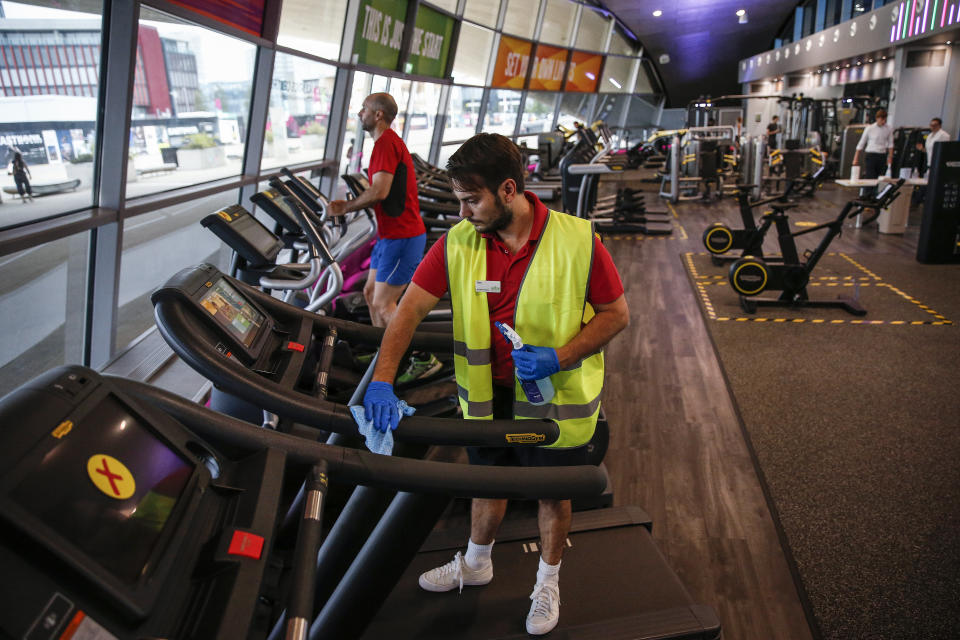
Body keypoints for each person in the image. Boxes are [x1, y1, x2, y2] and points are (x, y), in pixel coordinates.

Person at [361, 133, 629, 635]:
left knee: (551, 493)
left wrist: (560, 356)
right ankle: (476, 562)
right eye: (459, 199)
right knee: (486, 481)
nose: (463, 212)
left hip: (554, 398)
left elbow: (617, 314)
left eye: (471, 199)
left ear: (508, 190)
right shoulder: (459, 242)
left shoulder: (577, 240)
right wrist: (383, 380)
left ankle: (547, 580)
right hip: (489, 394)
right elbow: (408, 313)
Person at [327, 93, 438, 381]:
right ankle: (383, 352)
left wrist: (345, 206)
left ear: (378, 115)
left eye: (363, 108)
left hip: (403, 237)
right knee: (368, 294)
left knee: (383, 304)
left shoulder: (386, 143)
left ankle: (421, 357)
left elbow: (380, 191)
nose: (360, 113)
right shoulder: (384, 144)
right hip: (388, 237)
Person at [852, 109, 894, 179]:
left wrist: (890, 157)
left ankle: (878, 190)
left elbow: (890, 144)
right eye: (881, 120)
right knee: (870, 176)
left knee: (881, 177)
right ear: (877, 118)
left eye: (884, 120)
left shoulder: (888, 129)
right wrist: (856, 158)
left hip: (882, 155)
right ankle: (868, 190)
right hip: (871, 155)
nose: (883, 122)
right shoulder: (870, 128)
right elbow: (861, 143)